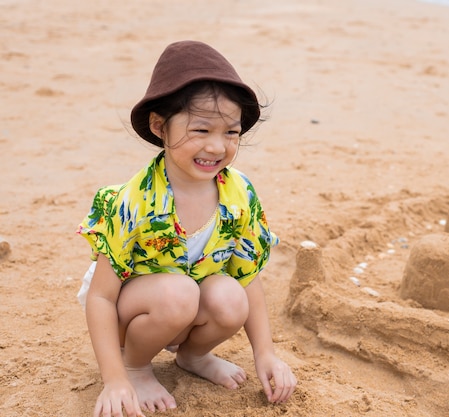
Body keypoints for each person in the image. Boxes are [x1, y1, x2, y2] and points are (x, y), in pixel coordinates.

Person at [76, 40, 297, 417]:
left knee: (231, 297)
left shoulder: (238, 193)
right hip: (133, 311)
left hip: (189, 300)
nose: (217, 146)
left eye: (231, 132)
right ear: (160, 126)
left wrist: (267, 354)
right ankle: (137, 365)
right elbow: (101, 298)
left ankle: (193, 356)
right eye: (200, 130)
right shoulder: (135, 201)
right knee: (177, 293)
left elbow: (248, 277)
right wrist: (116, 377)